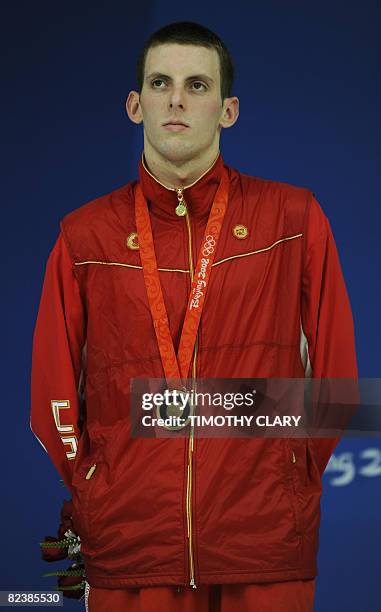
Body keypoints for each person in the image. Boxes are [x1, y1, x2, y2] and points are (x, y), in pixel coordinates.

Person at [30, 21, 358, 612]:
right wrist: (94, 487)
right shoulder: (84, 234)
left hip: (265, 543)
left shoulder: (294, 217)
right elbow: (51, 387)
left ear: (227, 110)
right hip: (132, 544)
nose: (177, 99)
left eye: (197, 85)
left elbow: (338, 380)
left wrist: (293, 476)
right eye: (161, 83)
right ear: (136, 105)